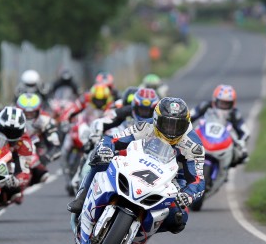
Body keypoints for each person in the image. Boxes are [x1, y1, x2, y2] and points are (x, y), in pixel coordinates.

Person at [67, 97, 205, 234]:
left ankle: (140, 232)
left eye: (177, 126)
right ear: (157, 120)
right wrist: (106, 148)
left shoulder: (194, 146)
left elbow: (198, 180)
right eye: (167, 124)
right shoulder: (146, 126)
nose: (171, 130)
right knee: (101, 158)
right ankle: (82, 197)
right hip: (137, 162)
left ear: (186, 124)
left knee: (178, 221)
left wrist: (188, 195)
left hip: (172, 179)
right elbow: (113, 139)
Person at [190, 84, 250, 166]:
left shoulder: (234, 113)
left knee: (241, 155)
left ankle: (224, 173)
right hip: (203, 136)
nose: (224, 106)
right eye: (221, 102)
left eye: (227, 104)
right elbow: (189, 116)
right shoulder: (205, 106)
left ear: (232, 104)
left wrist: (241, 142)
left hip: (223, 141)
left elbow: (245, 131)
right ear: (215, 101)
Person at [15, 93, 61, 184]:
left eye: (32, 113)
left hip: (34, 152)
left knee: (43, 175)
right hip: (13, 148)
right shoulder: (11, 117)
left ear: (38, 111)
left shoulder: (45, 120)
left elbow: (56, 146)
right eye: (25, 113)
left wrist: (45, 158)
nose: (28, 116)